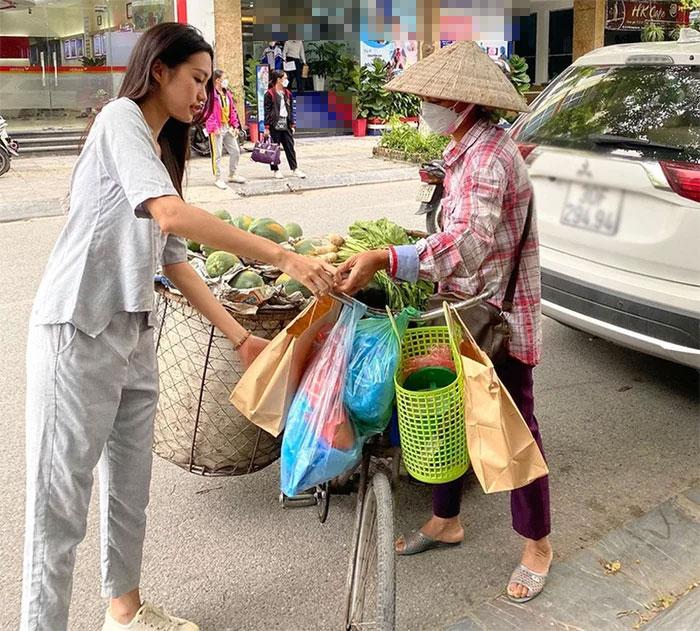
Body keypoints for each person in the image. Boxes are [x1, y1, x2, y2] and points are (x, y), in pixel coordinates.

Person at [21, 23, 335, 631]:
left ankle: (125, 612)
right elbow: (171, 216)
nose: (204, 95)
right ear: (158, 71)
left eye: (209, 83)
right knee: (58, 504)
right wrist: (283, 257)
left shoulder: (160, 152)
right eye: (196, 79)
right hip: (76, 332)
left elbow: (175, 265)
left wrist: (241, 337)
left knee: (129, 490)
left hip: (134, 338)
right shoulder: (119, 120)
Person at [335, 41, 552, 604]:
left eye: (432, 96)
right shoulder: (467, 149)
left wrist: (389, 258)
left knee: (514, 431)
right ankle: (446, 519)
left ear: (460, 102)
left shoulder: (487, 158)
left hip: (496, 319)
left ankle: (537, 546)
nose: (425, 104)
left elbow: (471, 245)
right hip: (460, 313)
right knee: (445, 417)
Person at [204, 68, 246, 190]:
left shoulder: (227, 94)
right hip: (217, 128)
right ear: (217, 80)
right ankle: (218, 178)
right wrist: (213, 127)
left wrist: (235, 125)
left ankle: (232, 174)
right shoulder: (211, 95)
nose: (226, 81)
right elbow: (208, 112)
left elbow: (232, 110)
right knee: (217, 154)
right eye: (224, 79)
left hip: (227, 127)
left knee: (235, 151)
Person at [264, 70, 306, 180]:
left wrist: (292, 124)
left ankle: (295, 168)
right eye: (285, 78)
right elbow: (267, 111)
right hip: (275, 124)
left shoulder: (287, 93)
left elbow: (291, 109)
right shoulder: (270, 94)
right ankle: (275, 170)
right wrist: (267, 127)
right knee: (274, 147)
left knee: (290, 146)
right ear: (278, 79)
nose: (287, 80)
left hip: (286, 123)